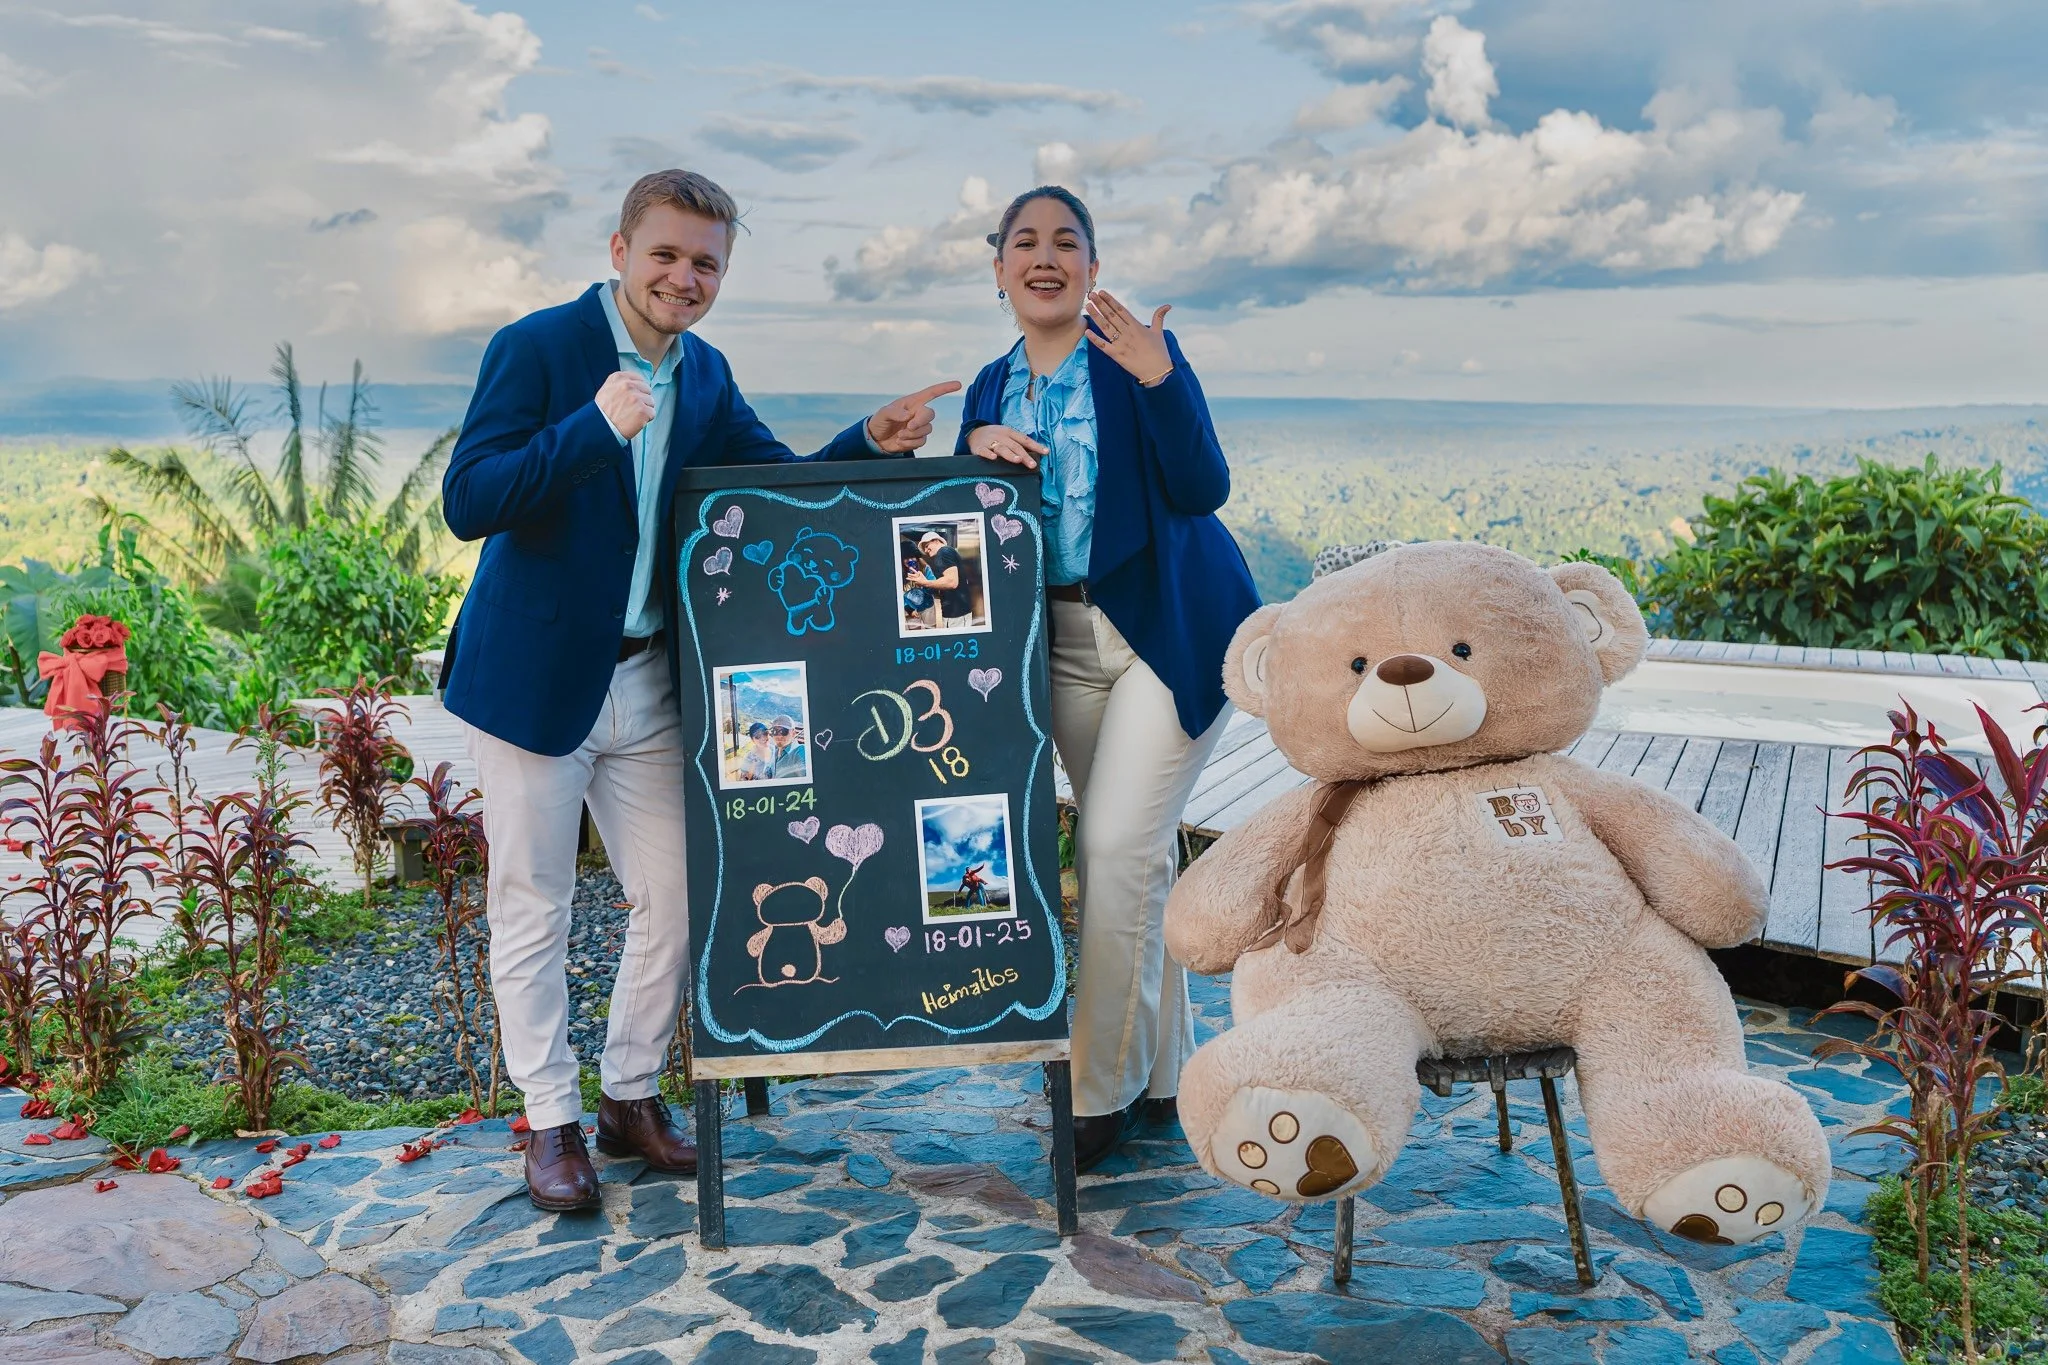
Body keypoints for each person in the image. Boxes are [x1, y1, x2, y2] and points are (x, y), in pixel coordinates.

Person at [441, 168, 957, 1211]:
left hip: (651, 683)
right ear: (620, 248)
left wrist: (866, 442)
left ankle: (628, 1100)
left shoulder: (705, 374)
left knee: (679, 899)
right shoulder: (537, 349)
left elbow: (764, 487)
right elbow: (469, 499)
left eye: (705, 263)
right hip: (536, 685)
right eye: (666, 254)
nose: (684, 277)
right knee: (531, 906)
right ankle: (548, 1124)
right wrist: (593, 428)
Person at [956, 185, 1261, 1171]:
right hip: (1056, 643)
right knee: (1137, 859)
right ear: (997, 266)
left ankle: (1095, 1093)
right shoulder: (984, 388)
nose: (1043, 258)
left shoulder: (1138, 364)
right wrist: (970, 454)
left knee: (1114, 847)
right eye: (1023, 243)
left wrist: (1161, 379)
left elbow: (1203, 486)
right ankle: (1170, 1075)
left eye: (1065, 243)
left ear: (1092, 264)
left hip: (1165, 635)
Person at [908, 528, 976, 629]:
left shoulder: (943, 552)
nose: (926, 551)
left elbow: (952, 582)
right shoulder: (948, 552)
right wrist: (925, 583)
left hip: (956, 614)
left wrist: (925, 583)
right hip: (958, 612)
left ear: (936, 540)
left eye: (927, 546)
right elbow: (945, 584)